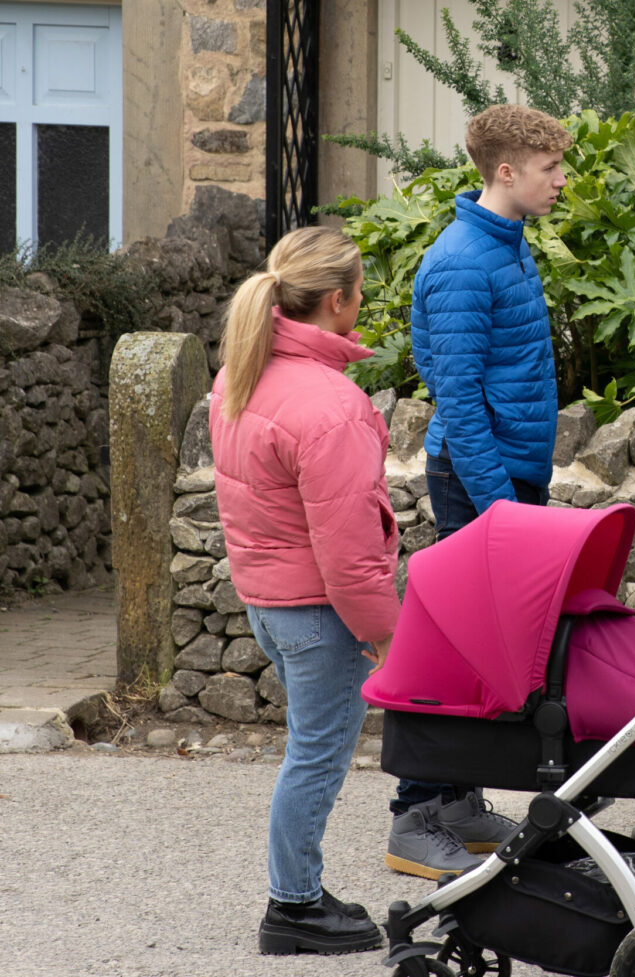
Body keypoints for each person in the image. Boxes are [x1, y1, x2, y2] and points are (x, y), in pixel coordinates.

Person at [390, 103, 574, 879]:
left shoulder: (505, 241)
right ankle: (416, 814)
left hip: (500, 472)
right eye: (549, 170)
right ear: (506, 172)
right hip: (478, 481)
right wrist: (501, 503)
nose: (561, 181)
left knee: (485, 649)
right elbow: (456, 396)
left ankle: (458, 801)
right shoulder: (466, 260)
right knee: (460, 649)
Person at [209, 226, 394, 956]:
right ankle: (293, 904)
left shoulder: (242, 372)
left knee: (306, 747)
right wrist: (387, 634)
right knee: (316, 756)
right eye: (360, 289)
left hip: (267, 600)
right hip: (320, 612)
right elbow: (350, 555)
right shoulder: (331, 404)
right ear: (340, 299)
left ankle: (299, 891)